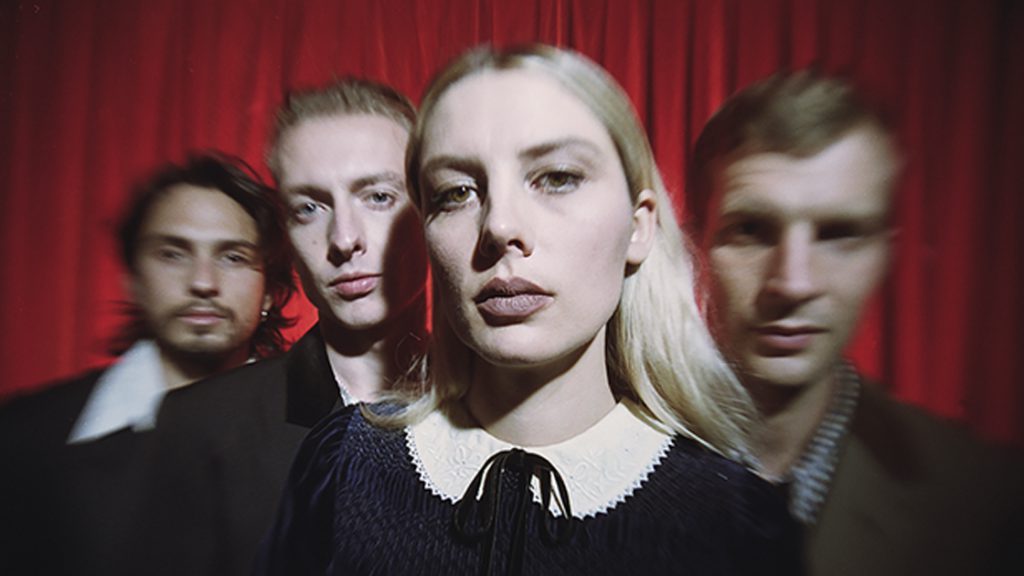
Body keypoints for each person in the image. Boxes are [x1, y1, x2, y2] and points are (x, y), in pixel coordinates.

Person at [257, 44, 801, 575]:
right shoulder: (342, 465)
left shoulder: (739, 523)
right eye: (456, 192)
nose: (499, 226)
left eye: (557, 177)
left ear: (639, 227)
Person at [689, 71, 1023, 575]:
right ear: (694, 247)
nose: (793, 282)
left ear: (885, 255)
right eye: (752, 230)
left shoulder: (985, 499)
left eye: (839, 234)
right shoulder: (584, 462)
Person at [142, 78, 429, 575]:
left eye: (378, 197)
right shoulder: (198, 428)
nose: (343, 239)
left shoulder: (508, 407)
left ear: (431, 207)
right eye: (309, 208)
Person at [0, 153, 294, 575]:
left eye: (233, 257)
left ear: (270, 291)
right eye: (173, 254)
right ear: (133, 278)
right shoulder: (24, 438)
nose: (203, 283)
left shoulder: (321, 439)